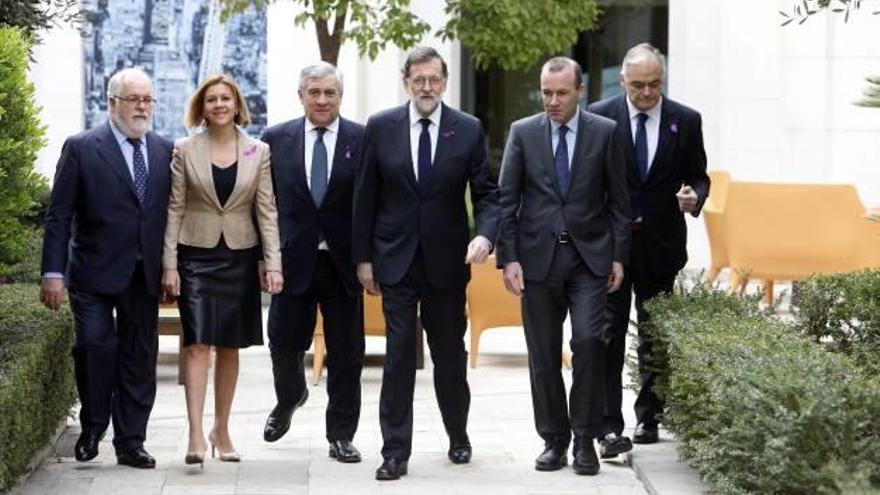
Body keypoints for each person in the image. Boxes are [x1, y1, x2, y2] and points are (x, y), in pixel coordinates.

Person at [352, 46, 500, 481]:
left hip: (447, 262)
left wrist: (485, 236)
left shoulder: (467, 129)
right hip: (393, 260)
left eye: (434, 79)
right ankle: (395, 451)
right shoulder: (380, 128)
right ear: (406, 81)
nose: (427, 87)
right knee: (398, 355)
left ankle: (457, 432)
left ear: (445, 81)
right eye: (419, 80)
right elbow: (365, 198)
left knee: (449, 355)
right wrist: (363, 258)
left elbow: (488, 194)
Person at [496, 57, 630, 476]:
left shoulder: (605, 133)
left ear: (580, 91)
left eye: (561, 93)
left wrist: (618, 256)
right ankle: (553, 440)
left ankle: (585, 439)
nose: (552, 101)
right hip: (537, 261)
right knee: (542, 354)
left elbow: (620, 205)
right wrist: (509, 258)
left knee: (590, 342)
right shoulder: (523, 132)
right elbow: (506, 200)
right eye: (547, 92)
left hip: (589, 260)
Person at [40, 68, 173, 469]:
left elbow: (171, 214)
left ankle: (131, 442)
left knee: (139, 357)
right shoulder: (81, 147)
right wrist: (52, 272)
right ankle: (94, 425)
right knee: (96, 348)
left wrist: (172, 267)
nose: (143, 107)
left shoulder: (165, 150)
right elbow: (59, 215)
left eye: (148, 99)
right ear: (112, 102)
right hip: (93, 273)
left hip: (144, 274)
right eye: (135, 99)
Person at [588, 42, 709, 450]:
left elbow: (699, 175)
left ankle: (650, 418)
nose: (646, 93)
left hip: (661, 244)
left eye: (655, 85)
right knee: (608, 334)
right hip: (612, 248)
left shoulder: (685, 121)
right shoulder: (599, 117)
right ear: (622, 80)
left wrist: (695, 197)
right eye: (638, 85)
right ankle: (608, 423)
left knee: (655, 335)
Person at [161, 74, 283, 467]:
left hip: (240, 257)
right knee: (197, 343)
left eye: (225, 98)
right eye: (211, 99)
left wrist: (273, 263)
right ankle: (196, 434)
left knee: (230, 346)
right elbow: (174, 208)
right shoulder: (184, 149)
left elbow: (266, 210)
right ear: (202, 106)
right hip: (194, 255)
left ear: (236, 105)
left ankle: (222, 429)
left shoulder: (258, 151)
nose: (218, 105)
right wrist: (169, 264)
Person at [260, 62, 366, 463]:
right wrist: (264, 259)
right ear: (301, 95)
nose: (322, 100)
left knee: (346, 353)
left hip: (344, 263)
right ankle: (290, 397)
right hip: (291, 262)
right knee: (283, 344)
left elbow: (370, 204)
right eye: (315, 92)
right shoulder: (275, 139)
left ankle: (340, 434)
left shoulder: (362, 138)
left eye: (330, 93)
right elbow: (264, 205)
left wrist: (368, 259)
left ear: (340, 96)